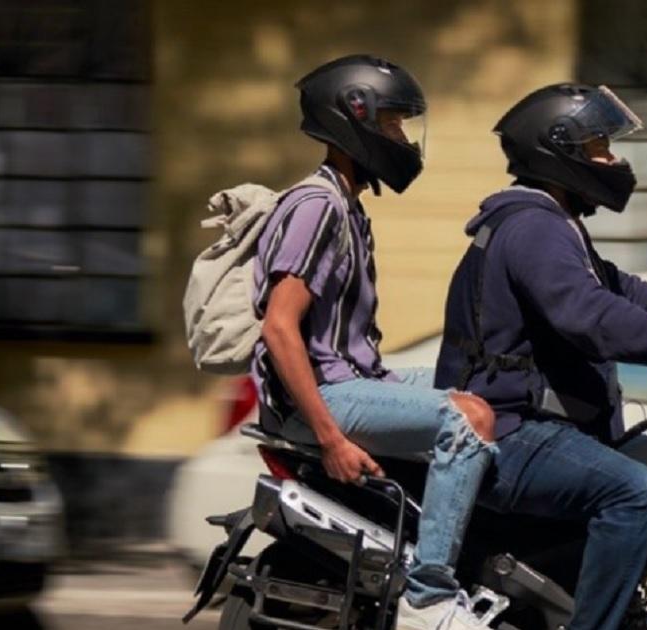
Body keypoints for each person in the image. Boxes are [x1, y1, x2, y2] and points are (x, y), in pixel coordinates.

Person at [434, 83, 647, 630]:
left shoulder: (554, 223)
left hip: (527, 423)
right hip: (509, 431)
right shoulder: (534, 228)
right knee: (634, 490)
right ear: (559, 150)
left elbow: (625, 291)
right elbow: (592, 318)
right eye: (600, 148)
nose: (614, 160)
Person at [250, 54, 497, 630]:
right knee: (465, 421)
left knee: (482, 392)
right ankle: (429, 594)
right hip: (323, 397)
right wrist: (331, 438)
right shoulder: (317, 206)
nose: (402, 139)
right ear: (352, 120)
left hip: (355, 378)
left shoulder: (346, 204)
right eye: (391, 125)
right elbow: (279, 327)